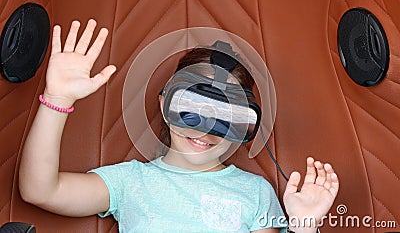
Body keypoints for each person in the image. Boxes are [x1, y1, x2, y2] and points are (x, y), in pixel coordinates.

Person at [19, 19, 339, 233]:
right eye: (193, 108)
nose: (205, 130)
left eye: (225, 116)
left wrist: (303, 227)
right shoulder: (130, 182)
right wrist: (56, 98)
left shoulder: (255, 193)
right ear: (165, 102)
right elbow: (39, 191)